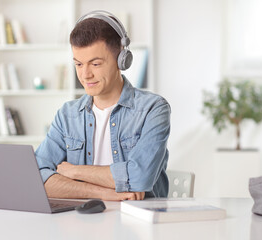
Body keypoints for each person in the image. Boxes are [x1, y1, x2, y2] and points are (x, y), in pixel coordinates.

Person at [35, 10, 171, 201]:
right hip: (81, 221)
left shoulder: (153, 109)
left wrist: (74, 171)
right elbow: (37, 177)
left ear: (121, 61)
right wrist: (105, 193)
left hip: (137, 223)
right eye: (79, 64)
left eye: (95, 64)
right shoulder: (67, 115)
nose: (85, 75)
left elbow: (139, 178)